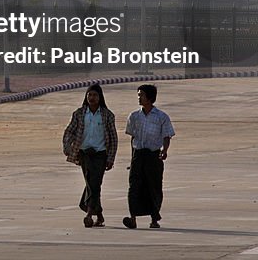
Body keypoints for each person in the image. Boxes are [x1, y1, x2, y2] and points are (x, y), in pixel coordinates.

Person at [62, 84, 118, 228]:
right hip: (84, 154)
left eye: (95, 95)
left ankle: (88, 214)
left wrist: (111, 158)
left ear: (100, 97)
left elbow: (113, 138)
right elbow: (69, 131)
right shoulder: (79, 114)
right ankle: (98, 215)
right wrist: (68, 148)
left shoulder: (107, 115)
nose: (92, 98)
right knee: (92, 183)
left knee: (94, 183)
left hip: (100, 154)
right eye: (89, 95)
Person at [123, 84, 175, 229]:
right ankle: (133, 218)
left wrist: (164, 150)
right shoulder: (134, 116)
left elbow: (166, 136)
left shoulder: (161, 117)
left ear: (150, 98)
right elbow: (133, 138)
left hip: (153, 156)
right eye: (138, 95)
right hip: (138, 155)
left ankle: (154, 219)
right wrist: (132, 157)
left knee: (154, 186)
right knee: (134, 187)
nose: (139, 98)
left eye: (142, 95)